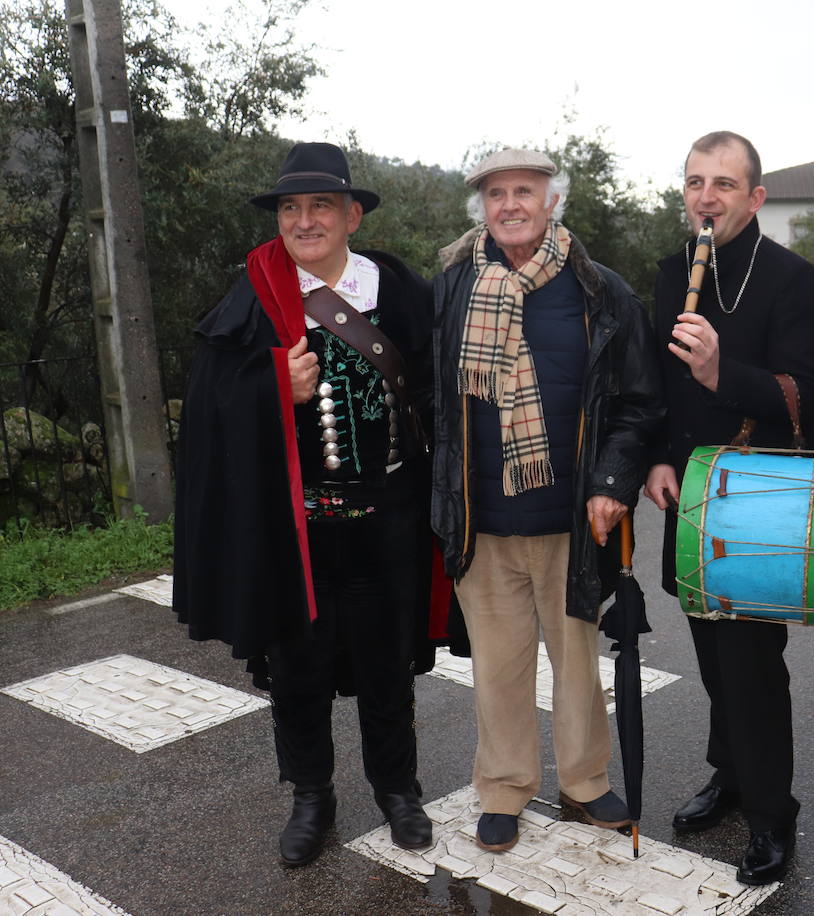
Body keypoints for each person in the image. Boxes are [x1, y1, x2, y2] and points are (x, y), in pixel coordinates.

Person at [172, 142, 441, 868]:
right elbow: (207, 405)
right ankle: (311, 796)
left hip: (390, 514)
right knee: (298, 666)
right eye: (291, 208)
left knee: (390, 660)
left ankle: (398, 790)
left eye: (321, 205)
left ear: (352, 214)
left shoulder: (395, 287)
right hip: (297, 525)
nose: (305, 220)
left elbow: (436, 386)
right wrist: (271, 389)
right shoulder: (254, 294)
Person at [431, 148, 662, 854]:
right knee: (498, 667)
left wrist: (613, 483)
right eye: (496, 194)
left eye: (523, 192)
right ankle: (504, 788)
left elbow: (636, 402)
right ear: (483, 208)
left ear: (551, 200)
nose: (509, 205)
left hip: (571, 516)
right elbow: (426, 399)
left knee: (576, 661)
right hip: (484, 518)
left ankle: (586, 781)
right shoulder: (450, 287)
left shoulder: (601, 292)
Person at [642, 131, 814, 886]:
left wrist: (724, 372)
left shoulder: (792, 277)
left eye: (724, 183)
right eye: (695, 182)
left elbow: (805, 394)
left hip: (756, 494)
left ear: (755, 197)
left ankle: (771, 811)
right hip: (687, 486)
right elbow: (657, 385)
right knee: (712, 657)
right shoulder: (669, 271)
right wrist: (656, 454)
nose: (706, 196)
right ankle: (730, 775)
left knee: (752, 664)